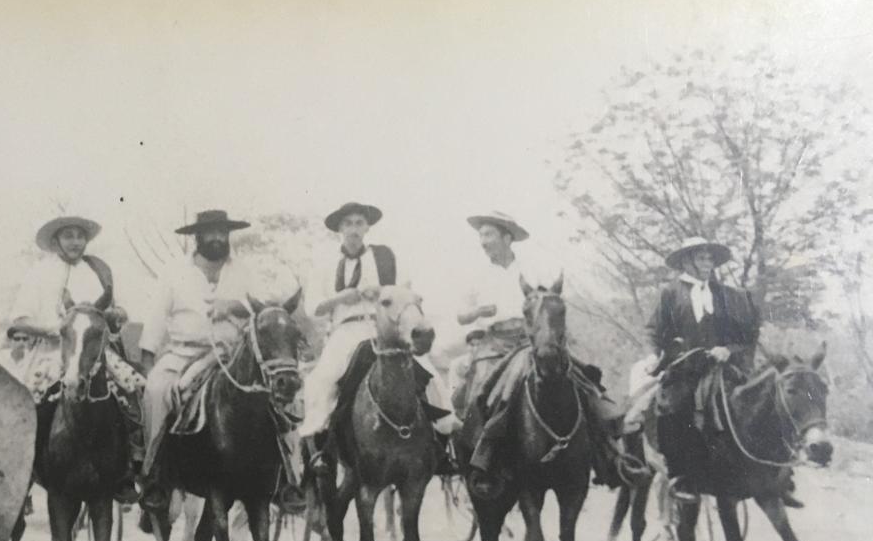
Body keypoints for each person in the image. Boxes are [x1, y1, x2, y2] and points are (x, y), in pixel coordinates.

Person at [458, 211, 641, 497]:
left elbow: (552, 302)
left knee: (584, 380)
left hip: (532, 340)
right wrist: (479, 312)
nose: (483, 242)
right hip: (493, 343)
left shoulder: (530, 270)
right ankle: (485, 460)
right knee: (486, 392)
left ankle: (609, 456)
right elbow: (461, 315)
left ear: (507, 238)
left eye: (489, 235)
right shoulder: (475, 275)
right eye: (481, 235)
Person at [299, 201, 456, 475]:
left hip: (381, 327)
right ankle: (320, 445)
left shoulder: (384, 257)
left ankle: (442, 439)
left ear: (367, 227)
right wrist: (340, 297)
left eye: (359, 223)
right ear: (339, 228)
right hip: (345, 330)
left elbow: (406, 291)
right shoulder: (324, 263)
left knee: (427, 372)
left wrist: (381, 289)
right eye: (348, 223)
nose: (354, 229)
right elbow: (313, 308)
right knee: (322, 378)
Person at [4, 215, 140, 503]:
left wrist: (117, 315)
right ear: (56, 240)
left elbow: (116, 311)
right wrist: (53, 329)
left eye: (80, 236)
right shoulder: (40, 272)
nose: (75, 242)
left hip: (93, 352)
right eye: (68, 236)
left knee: (132, 393)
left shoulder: (98, 271)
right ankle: (23, 469)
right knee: (23, 402)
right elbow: (18, 320)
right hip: (52, 350)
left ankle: (125, 469)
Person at [136, 209, 261, 513]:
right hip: (184, 353)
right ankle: (154, 475)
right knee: (155, 391)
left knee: (278, 399)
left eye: (223, 232)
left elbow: (264, 310)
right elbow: (156, 318)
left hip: (233, 357)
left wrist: (235, 305)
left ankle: (288, 477)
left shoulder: (244, 271)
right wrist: (149, 358)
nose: (218, 238)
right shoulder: (174, 271)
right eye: (211, 233)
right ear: (198, 237)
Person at [644, 236, 761, 504]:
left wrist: (728, 350)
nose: (707, 263)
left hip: (722, 366)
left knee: (758, 398)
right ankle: (680, 475)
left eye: (710, 258)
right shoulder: (670, 293)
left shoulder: (726, 294)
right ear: (687, 261)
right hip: (685, 368)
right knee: (674, 408)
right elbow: (653, 331)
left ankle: (773, 475)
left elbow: (746, 335)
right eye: (701, 258)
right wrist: (655, 355)